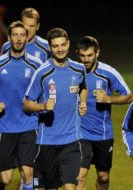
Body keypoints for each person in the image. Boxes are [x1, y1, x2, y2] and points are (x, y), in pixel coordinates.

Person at [23, 27, 88, 190]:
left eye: (63, 45)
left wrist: (83, 102)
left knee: (70, 187)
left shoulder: (79, 69)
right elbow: (26, 104)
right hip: (47, 142)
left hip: (71, 141)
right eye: (55, 46)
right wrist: (43, 106)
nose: (60, 49)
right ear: (50, 47)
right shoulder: (42, 73)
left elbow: (84, 87)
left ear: (68, 44)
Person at [0, 21, 42, 190]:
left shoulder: (36, 65)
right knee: (6, 179)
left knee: (28, 173)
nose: (18, 39)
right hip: (5, 126)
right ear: (9, 37)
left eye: (22, 35)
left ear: (27, 38)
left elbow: (42, 93)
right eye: (15, 35)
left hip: (29, 125)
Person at [75, 36, 132, 190]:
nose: (86, 60)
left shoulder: (108, 72)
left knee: (103, 177)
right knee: (79, 177)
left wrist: (108, 98)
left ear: (97, 53)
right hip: (80, 133)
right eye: (83, 56)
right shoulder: (73, 72)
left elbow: (128, 95)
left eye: (90, 55)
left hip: (102, 134)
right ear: (78, 54)